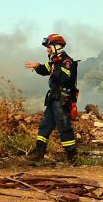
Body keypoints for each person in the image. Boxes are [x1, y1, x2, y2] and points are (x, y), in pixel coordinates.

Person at [24, 33, 78, 164]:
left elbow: (65, 79)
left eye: (49, 47)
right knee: (45, 125)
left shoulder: (66, 62)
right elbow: (44, 70)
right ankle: (39, 153)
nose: (47, 50)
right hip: (53, 98)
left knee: (64, 126)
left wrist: (56, 71)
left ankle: (72, 157)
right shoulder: (55, 61)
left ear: (57, 46)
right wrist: (37, 66)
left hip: (62, 99)